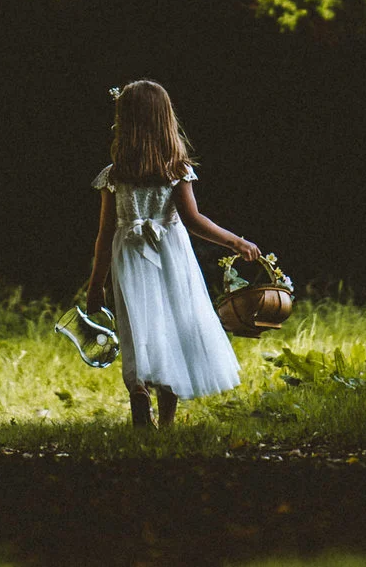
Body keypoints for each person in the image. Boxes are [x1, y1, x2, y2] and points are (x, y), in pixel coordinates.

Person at [80, 79, 258, 427]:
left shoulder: (114, 175)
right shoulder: (175, 170)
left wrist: (95, 284)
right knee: (171, 328)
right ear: (165, 120)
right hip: (171, 258)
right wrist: (235, 241)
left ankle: (139, 392)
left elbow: (104, 235)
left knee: (138, 329)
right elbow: (193, 221)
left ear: (125, 123)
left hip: (130, 257)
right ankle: (167, 423)